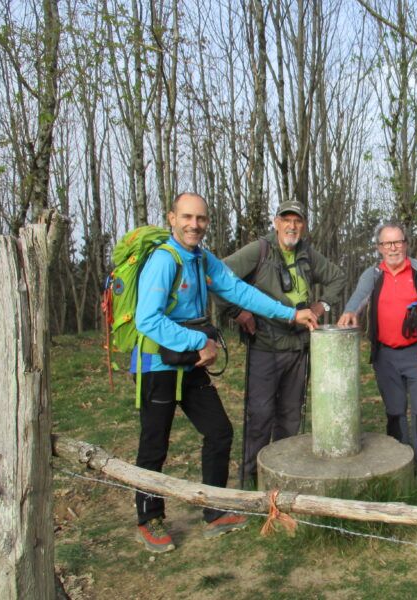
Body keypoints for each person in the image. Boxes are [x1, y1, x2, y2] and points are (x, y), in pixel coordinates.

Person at [132, 192, 318, 553]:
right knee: (154, 444)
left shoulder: (202, 259)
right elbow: (147, 319)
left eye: (201, 218)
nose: (194, 225)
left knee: (219, 432)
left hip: (190, 362)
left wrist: (291, 314)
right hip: (157, 365)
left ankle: (214, 511)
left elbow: (239, 291)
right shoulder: (164, 260)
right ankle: (149, 518)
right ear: (172, 218)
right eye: (187, 217)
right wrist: (198, 341)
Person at [221, 200, 345, 488]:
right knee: (260, 415)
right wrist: (237, 312)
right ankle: (250, 480)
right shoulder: (259, 251)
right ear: (276, 223)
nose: (292, 226)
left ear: (304, 226)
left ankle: (282, 478)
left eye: (297, 221)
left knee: (290, 417)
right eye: (286, 220)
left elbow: (338, 278)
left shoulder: (307, 254)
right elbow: (218, 277)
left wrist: (321, 306)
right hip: (265, 345)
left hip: (299, 347)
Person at [337, 221, 417, 494]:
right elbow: (358, 298)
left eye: (398, 242)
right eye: (387, 243)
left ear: (406, 244)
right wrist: (350, 312)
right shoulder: (373, 274)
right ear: (379, 248)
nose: (393, 248)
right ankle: (400, 463)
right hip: (385, 356)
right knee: (395, 412)